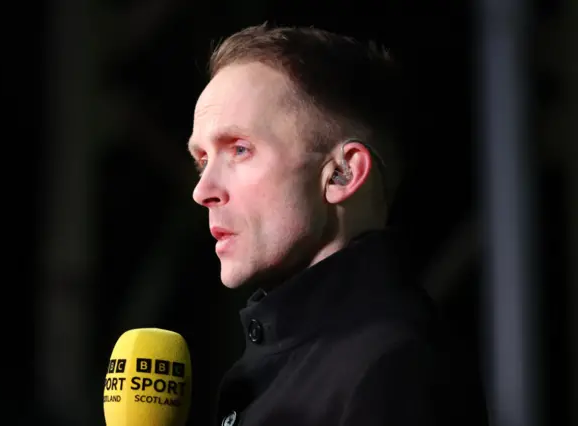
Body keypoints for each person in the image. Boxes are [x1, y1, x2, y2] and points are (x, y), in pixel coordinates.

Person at [187, 22, 488, 426]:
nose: (203, 190)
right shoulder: (290, 366)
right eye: (202, 160)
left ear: (343, 174)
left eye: (239, 150)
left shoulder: (390, 369)